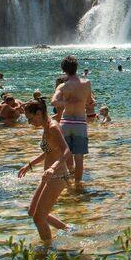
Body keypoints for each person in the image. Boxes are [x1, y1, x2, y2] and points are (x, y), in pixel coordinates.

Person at [18, 98, 71, 244]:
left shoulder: (53, 127)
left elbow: (67, 151)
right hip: (48, 177)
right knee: (33, 212)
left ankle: (48, 249)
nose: (29, 122)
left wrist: (53, 167)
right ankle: (67, 229)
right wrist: (29, 165)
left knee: (39, 218)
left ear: (39, 113)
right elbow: (49, 151)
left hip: (58, 176)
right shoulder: (46, 127)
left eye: (30, 118)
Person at [51, 55, 95, 186]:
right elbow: (90, 101)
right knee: (79, 157)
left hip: (66, 121)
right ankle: (78, 184)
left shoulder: (62, 86)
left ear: (64, 70)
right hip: (80, 122)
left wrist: (66, 102)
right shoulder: (86, 83)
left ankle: (67, 184)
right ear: (76, 68)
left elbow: (53, 102)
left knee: (66, 155)